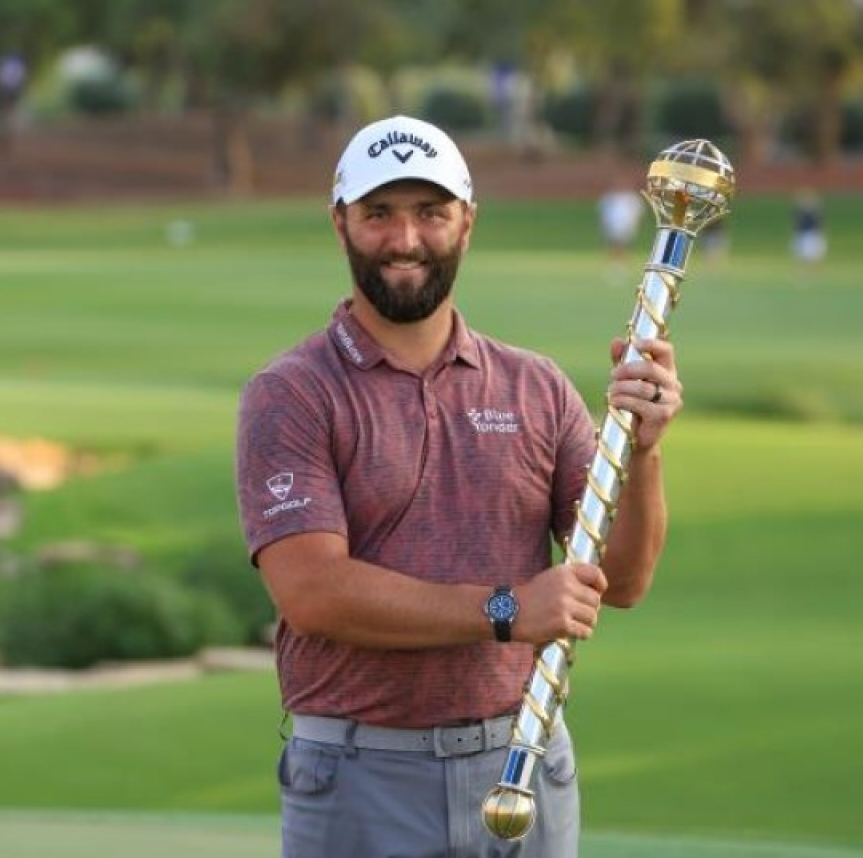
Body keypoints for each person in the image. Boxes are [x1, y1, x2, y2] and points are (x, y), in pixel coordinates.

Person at [235, 115, 683, 858]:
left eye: (430, 214)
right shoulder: (293, 393)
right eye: (380, 214)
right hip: (357, 773)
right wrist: (507, 609)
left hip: (524, 761)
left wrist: (644, 454)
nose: (406, 239)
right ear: (339, 221)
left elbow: (625, 580)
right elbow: (311, 593)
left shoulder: (536, 386)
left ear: (467, 223)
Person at [597, 177, 645, 271]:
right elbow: (604, 210)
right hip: (613, 223)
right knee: (614, 243)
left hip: (627, 223)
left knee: (623, 243)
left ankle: (622, 263)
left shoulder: (631, 198)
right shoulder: (610, 197)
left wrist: (634, 221)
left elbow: (638, 211)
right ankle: (615, 263)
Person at [792, 188, 827, 265]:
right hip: (803, 234)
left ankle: (813, 270)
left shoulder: (815, 213)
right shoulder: (800, 213)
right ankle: (805, 270)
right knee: (802, 254)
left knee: (813, 254)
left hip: (812, 234)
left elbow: (819, 224)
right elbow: (798, 225)